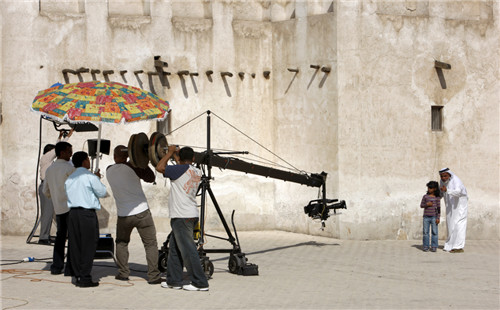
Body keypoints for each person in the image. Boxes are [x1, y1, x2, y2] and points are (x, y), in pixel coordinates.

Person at [106, 145, 162, 285]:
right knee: (150, 244)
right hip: (142, 212)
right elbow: (150, 177)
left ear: (114, 156)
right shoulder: (134, 166)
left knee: (121, 243)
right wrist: (141, 160)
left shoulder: (109, 170)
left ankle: (123, 273)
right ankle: (154, 276)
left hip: (124, 215)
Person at [156, 146, 209, 291]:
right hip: (189, 214)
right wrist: (176, 154)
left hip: (181, 216)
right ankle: (174, 280)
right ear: (193, 159)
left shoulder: (178, 170)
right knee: (174, 249)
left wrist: (170, 153)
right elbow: (182, 166)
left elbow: (159, 167)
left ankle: (200, 282)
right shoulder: (196, 171)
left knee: (188, 250)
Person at [65, 151, 107, 287]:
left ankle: (77, 274)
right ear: (84, 161)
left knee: (76, 245)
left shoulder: (70, 178)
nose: (89, 161)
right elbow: (102, 192)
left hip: (73, 214)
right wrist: (97, 179)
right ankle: (84, 277)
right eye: (88, 159)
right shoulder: (89, 177)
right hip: (86, 214)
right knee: (88, 245)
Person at [42, 141, 75, 275]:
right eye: (69, 151)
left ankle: (56, 266)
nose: (71, 154)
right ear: (62, 153)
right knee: (73, 238)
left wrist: (56, 198)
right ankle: (70, 268)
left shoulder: (50, 169)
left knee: (60, 237)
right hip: (71, 207)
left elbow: (46, 191)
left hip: (59, 208)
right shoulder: (69, 168)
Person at [38, 129, 74, 244]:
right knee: (47, 212)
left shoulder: (48, 161)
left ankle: (47, 235)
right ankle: (43, 237)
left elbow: (57, 146)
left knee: (51, 212)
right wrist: (68, 136)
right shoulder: (46, 158)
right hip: (46, 186)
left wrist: (59, 136)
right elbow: (58, 148)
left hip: (49, 185)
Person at [439, 168, 469, 253]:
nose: (443, 178)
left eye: (445, 176)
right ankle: (450, 245)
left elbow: (459, 192)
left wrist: (447, 190)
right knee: (451, 224)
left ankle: (458, 247)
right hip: (450, 205)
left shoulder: (456, 180)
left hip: (460, 205)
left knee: (459, 224)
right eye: (442, 176)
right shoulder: (442, 181)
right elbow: (441, 192)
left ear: (449, 175)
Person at [420, 181, 441, 252]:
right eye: (428, 188)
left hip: (434, 217)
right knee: (425, 232)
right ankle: (426, 246)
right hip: (426, 217)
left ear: (435, 189)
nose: (429, 189)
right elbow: (421, 205)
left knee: (434, 232)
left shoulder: (437, 198)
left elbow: (438, 208)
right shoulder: (425, 196)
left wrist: (438, 217)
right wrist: (427, 204)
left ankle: (434, 246)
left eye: (431, 188)